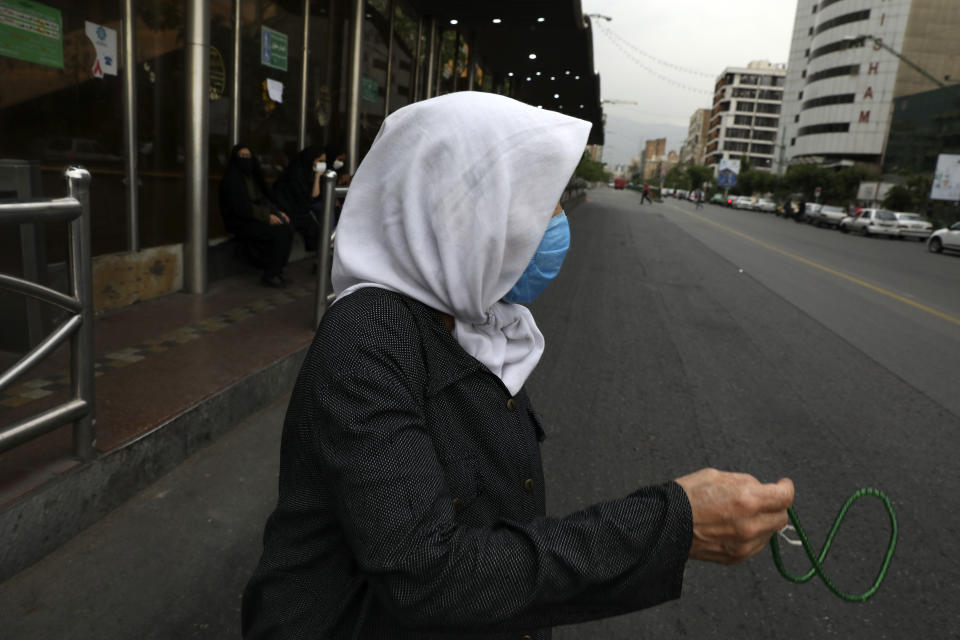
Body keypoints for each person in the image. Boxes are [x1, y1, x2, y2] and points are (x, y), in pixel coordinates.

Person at [241, 92, 794, 639]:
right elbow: (431, 576)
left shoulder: (477, 322)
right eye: (541, 203)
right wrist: (673, 525)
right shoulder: (369, 335)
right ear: (466, 209)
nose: (554, 224)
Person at [219, 144, 294, 288]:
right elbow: (241, 207)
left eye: (248, 156)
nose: (245, 160)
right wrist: (268, 218)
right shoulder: (231, 180)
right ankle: (271, 274)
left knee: (287, 227)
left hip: (255, 217)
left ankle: (277, 270)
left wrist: (278, 213)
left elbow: (264, 198)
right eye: (242, 156)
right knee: (280, 233)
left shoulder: (253, 176)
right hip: (240, 221)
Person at [273, 146, 326, 252]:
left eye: (324, 161)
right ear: (311, 159)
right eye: (320, 161)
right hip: (287, 210)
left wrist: (317, 177)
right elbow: (308, 201)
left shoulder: (308, 173)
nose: (323, 164)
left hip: (298, 210)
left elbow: (314, 198)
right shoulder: (294, 175)